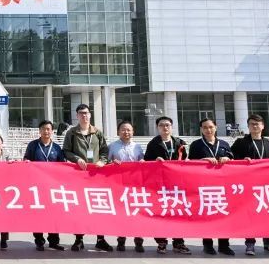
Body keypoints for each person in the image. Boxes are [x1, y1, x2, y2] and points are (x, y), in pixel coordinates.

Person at [230, 114, 269, 256]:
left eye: (257, 124)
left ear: (263, 126)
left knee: (267, 214)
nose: (255, 126)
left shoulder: (267, 142)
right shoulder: (241, 142)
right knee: (250, 215)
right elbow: (231, 159)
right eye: (252, 124)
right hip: (248, 184)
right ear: (248, 126)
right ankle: (250, 244)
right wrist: (242, 160)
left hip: (265, 184)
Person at [63, 104, 112, 252]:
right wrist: (76, 159)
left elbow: (104, 150)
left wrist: (102, 161)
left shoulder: (97, 132)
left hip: (95, 176)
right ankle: (79, 239)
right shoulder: (72, 133)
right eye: (81, 113)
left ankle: (100, 239)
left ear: (90, 115)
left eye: (86, 113)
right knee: (80, 208)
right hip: (79, 176)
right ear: (77, 116)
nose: (84, 115)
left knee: (98, 207)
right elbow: (66, 151)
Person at [187, 118, 235, 256]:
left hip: (222, 186)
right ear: (201, 129)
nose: (208, 130)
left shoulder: (224, 144)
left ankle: (224, 245)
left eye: (211, 127)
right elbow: (190, 162)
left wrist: (228, 159)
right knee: (206, 216)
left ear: (216, 127)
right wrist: (203, 160)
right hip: (205, 186)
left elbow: (233, 160)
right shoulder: (196, 145)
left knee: (223, 215)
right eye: (205, 127)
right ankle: (207, 245)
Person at [144, 116, 191, 255]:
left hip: (177, 185)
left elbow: (185, 159)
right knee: (161, 213)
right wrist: (155, 160)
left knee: (178, 213)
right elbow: (146, 161)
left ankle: (179, 242)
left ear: (171, 127)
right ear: (157, 128)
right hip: (159, 185)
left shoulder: (179, 143)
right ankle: (161, 242)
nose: (165, 127)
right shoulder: (153, 144)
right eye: (161, 125)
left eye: (167, 125)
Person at [24, 120, 66, 251]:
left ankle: (54, 241)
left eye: (48, 129)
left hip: (52, 187)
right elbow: (26, 159)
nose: (46, 131)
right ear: (39, 131)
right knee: (38, 214)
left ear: (52, 131)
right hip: (37, 187)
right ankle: (39, 241)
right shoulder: (33, 145)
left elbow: (62, 166)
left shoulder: (57, 148)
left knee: (54, 214)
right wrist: (27, 162)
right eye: (43, 129)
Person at [108, 120, 145, 252]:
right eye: (123, 129)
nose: (126, 132)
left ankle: (138, 241)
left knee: (137, 213)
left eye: (129, 130)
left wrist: (142, 161)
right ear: (118, 132)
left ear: (133, 132)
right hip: (119, 184)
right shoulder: (112, 146)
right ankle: (121, 241)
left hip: (135, 185)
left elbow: (143, 162)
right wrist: (112, 162)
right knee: (122, 213)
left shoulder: (138, 147)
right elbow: (106, 162)